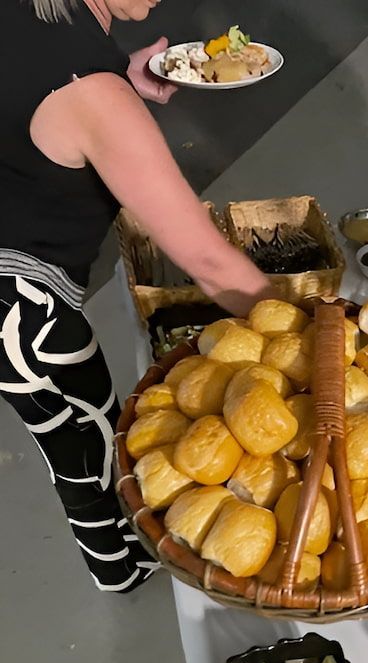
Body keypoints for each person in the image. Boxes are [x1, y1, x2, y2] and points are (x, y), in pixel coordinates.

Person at [0, 0, 272, 594]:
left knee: (70, 434)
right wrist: (307, 326)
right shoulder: (94, 96)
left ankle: (115, 563)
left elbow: (40, 104)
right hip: (22, 309)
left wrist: (122, 80)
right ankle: (122, 570)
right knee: (86, 440)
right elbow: (204, 258)